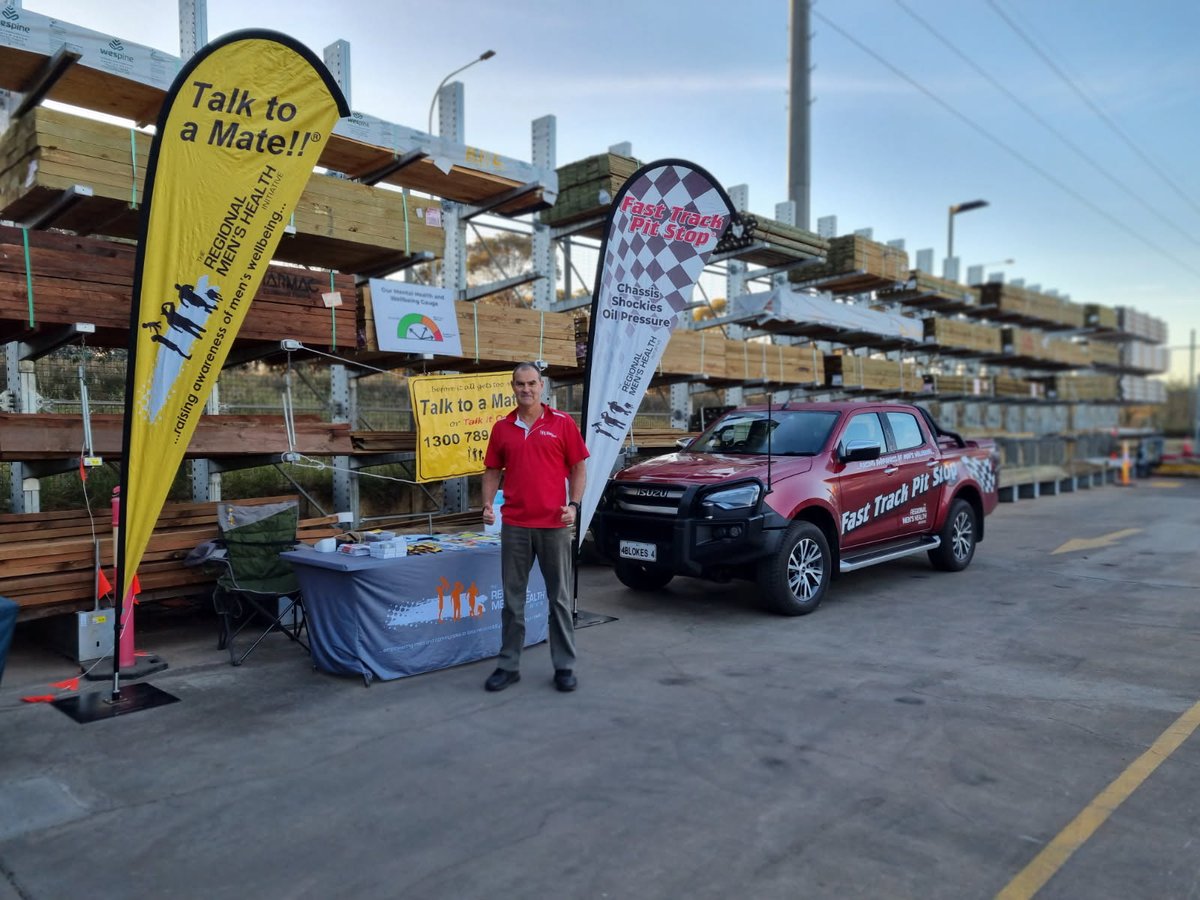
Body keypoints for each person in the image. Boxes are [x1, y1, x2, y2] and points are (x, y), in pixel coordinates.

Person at [481, 362, 588, 693]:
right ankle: (508, 665)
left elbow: (578, 468)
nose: (525, 389)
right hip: (514, 525)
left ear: (542, 386)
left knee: (558, 598)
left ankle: (564, 666)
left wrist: (574, 506)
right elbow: (491, 470)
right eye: (519, 384)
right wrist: (487, 504)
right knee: (512, 601)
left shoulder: (562, 423)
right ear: (512, 387)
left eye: (531, 383)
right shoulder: (502, 428)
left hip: (554, 525)